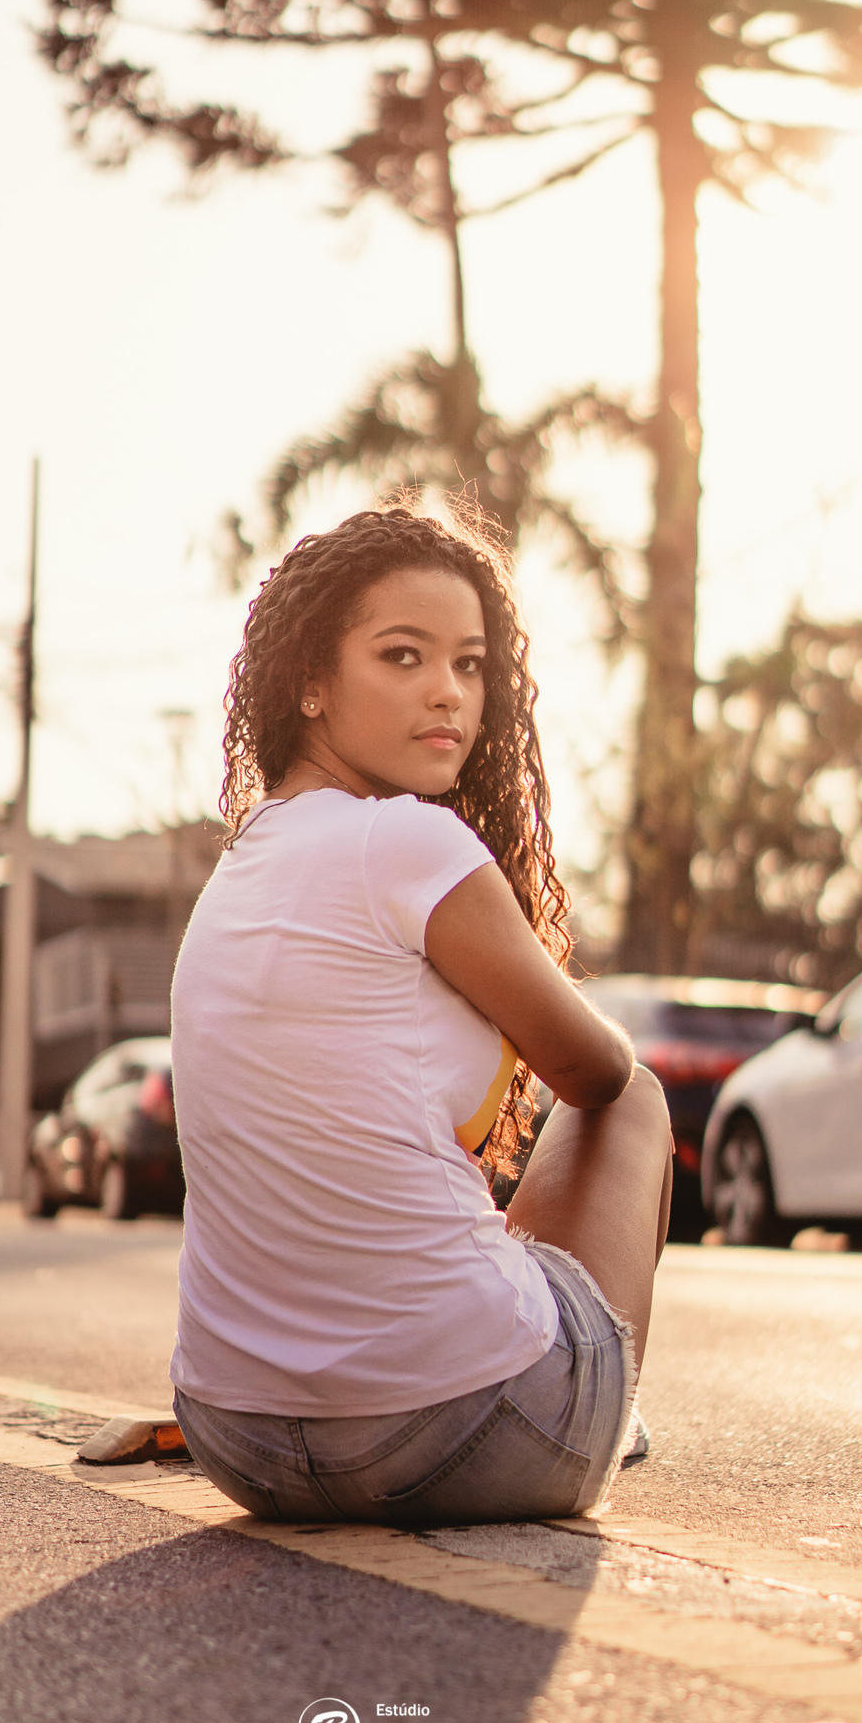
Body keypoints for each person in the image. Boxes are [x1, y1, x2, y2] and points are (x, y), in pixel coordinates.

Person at [169, 503, 672, 1526]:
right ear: (310, 683)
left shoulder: (242, 866)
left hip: (239, 1439)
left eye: (470, 665)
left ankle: (509, 1353)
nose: (449, 691)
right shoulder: (409, 842)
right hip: (469, 1433)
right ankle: (600, 1409)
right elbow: (595, 1072)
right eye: (403, 656)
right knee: (637, 1097)